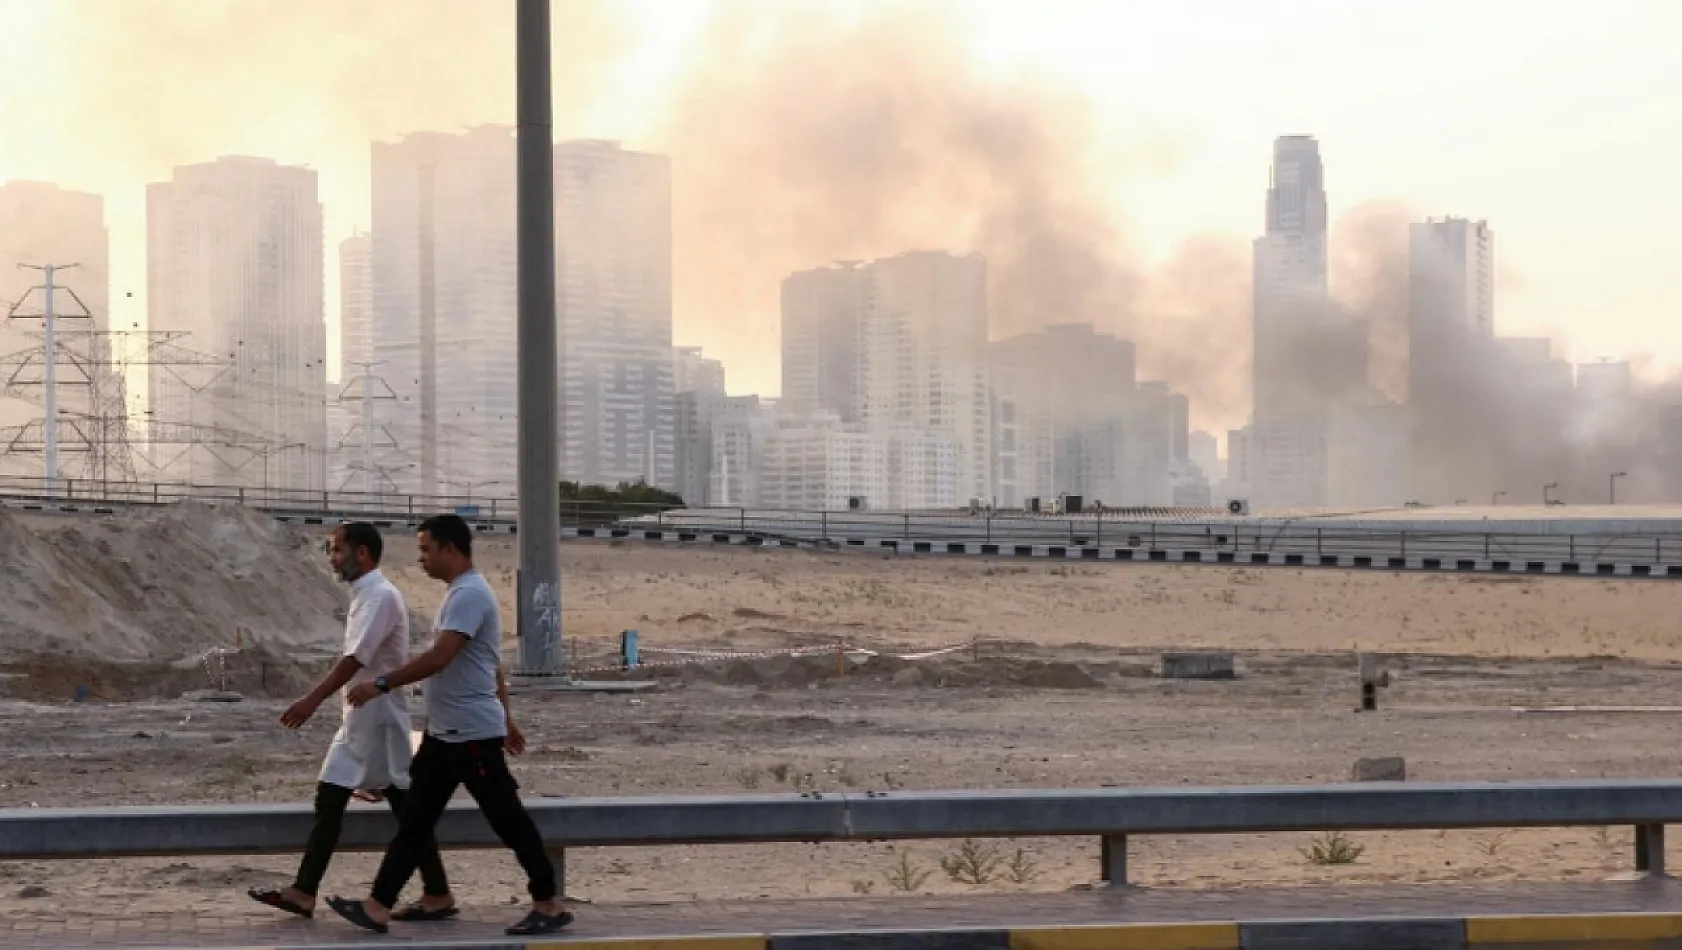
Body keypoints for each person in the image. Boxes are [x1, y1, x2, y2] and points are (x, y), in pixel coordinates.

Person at [327, 514, 570, 938]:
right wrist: (508, 718)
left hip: (470, 738)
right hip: (446, 735)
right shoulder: (459, 594)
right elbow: (489, 664)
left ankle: (547, 903)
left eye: (425, 549)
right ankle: (385, 904)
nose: (420, 558)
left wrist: (381, 684)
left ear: (449, 549)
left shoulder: (469, 595)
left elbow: (441, 657)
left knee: (507, 820)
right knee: (415, 822)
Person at [247, 522, 459, 923]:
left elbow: (356, 659)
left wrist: (312, 699)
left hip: (378, 718)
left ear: (362, 553)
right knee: (349, 800)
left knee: (392, 804)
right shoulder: (367, 595)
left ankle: (434, 892)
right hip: (364, 717)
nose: (332, 559)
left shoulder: (379, 596)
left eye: (337, 550)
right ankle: (307, 891)